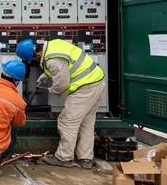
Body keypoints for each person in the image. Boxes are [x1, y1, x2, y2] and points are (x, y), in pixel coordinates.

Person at [16, 38, 106, 169]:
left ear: (37, 54)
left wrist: (51, 90)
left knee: (67, 122)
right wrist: (46, 76)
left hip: (84, 88)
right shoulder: (53, 44)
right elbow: (64, 64)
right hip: (96, 82)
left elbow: (62, 85)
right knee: (86, 123)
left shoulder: (51, 59)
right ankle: (85, 158)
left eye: (34, 59)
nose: (35, 61)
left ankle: (63, 158)